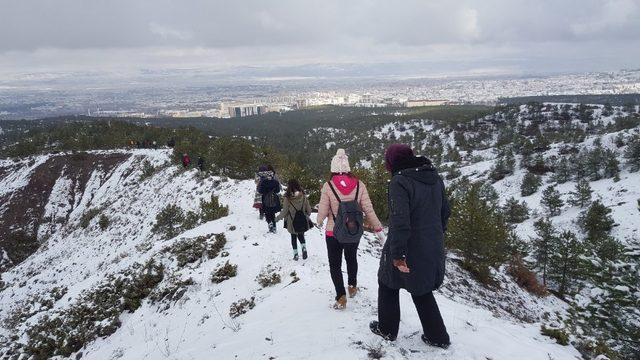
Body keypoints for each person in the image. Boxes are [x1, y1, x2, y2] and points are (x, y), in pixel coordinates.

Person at [370, 144, 451, 349]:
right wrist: (434, 236)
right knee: (421, 288)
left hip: (408, 245)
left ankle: (387, 329)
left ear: (392, 162)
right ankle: (438, 336)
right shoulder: (434, 177)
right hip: (432, 244)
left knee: (387, 282)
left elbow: (400, 221)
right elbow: (445, 212)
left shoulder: (400, 181)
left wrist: (398, 254)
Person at [316, 148, 385, 310]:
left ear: (333, 169)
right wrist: (378, 228)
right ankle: (352, 286)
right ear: (348, 168)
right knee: (351, 258)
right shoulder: (360, 185)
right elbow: (368, 208)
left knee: (335, 264)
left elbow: (323, 212)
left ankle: (341, 297)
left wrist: (319, 221)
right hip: (353, 230)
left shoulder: (328, 186)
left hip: (333, 232)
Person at [275, 179, 313, 261]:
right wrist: (306, 215)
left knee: (293, 237)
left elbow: (284, 211)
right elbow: (309, 209)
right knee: (301, 235)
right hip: (302, 220)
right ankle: (304, 248)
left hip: (291, 221)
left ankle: (295, 254)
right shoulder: (303, 195)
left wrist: (277, 218)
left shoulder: (288, 198)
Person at [258, 165, 282, 233]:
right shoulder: (275, 182)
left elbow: (260, 191)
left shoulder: (263, 182)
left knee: (267, 213)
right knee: (273, 214)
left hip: (265, 199)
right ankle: (274, 227)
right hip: (274, 199)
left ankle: (269, 223)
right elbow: (278, 191)